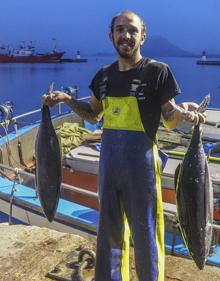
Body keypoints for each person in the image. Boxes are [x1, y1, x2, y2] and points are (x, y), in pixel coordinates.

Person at [43, 11, 205, 281]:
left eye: (132, 30)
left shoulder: (157, 71)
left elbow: (170, 120)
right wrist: (66, 100)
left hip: (141, 169)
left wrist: (189, 115)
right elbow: (94, 114)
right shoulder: (103, 77)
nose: (125, 36)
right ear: (111, 36)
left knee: (146, 233)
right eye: (120, 30)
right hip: (109, 168)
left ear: (143, 36)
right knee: (108, 231)